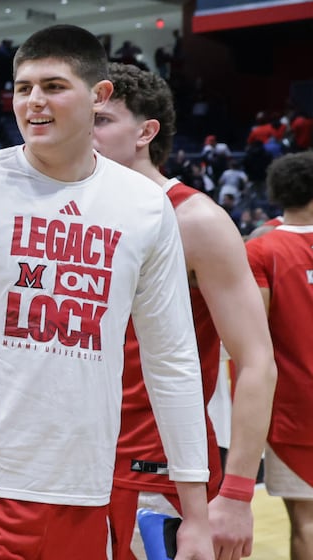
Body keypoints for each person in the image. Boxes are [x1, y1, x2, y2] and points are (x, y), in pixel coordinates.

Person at [0, 25, 213, 560]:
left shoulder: (144, 208)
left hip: (85, 486)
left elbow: (171, 359)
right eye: (23, 87)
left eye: (53, 86)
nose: (34, 101)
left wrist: (196, 511)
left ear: (99, 96)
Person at [93, 62, 276, 560]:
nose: (85, 133)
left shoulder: (195, 219)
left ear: (145, 132)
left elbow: (257, 361)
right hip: (74, 462)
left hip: (161, 469)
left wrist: (238, 493)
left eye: (102, 120)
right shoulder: (75, 213)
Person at [245, 151, 313, 560]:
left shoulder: (261, 249)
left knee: (306, 519)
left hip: (293, 406)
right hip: (293, 407)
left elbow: (252, 334)